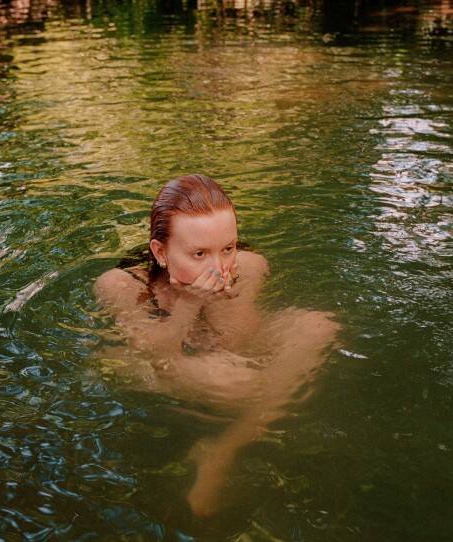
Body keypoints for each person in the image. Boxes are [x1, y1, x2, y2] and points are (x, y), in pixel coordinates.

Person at [94, 174, 340, 517]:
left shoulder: (249, 265)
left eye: (228, 248)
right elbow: (152, 351)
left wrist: (221, 301)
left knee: (318, 327)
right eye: (199, 253)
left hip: (218, 348)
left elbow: (240, 341)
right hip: (149, 359)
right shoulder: (121, 284)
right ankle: (247, 425)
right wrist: (188, 304)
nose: (219, 266)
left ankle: (225, 447)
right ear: (160, 252)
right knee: (238, 383)